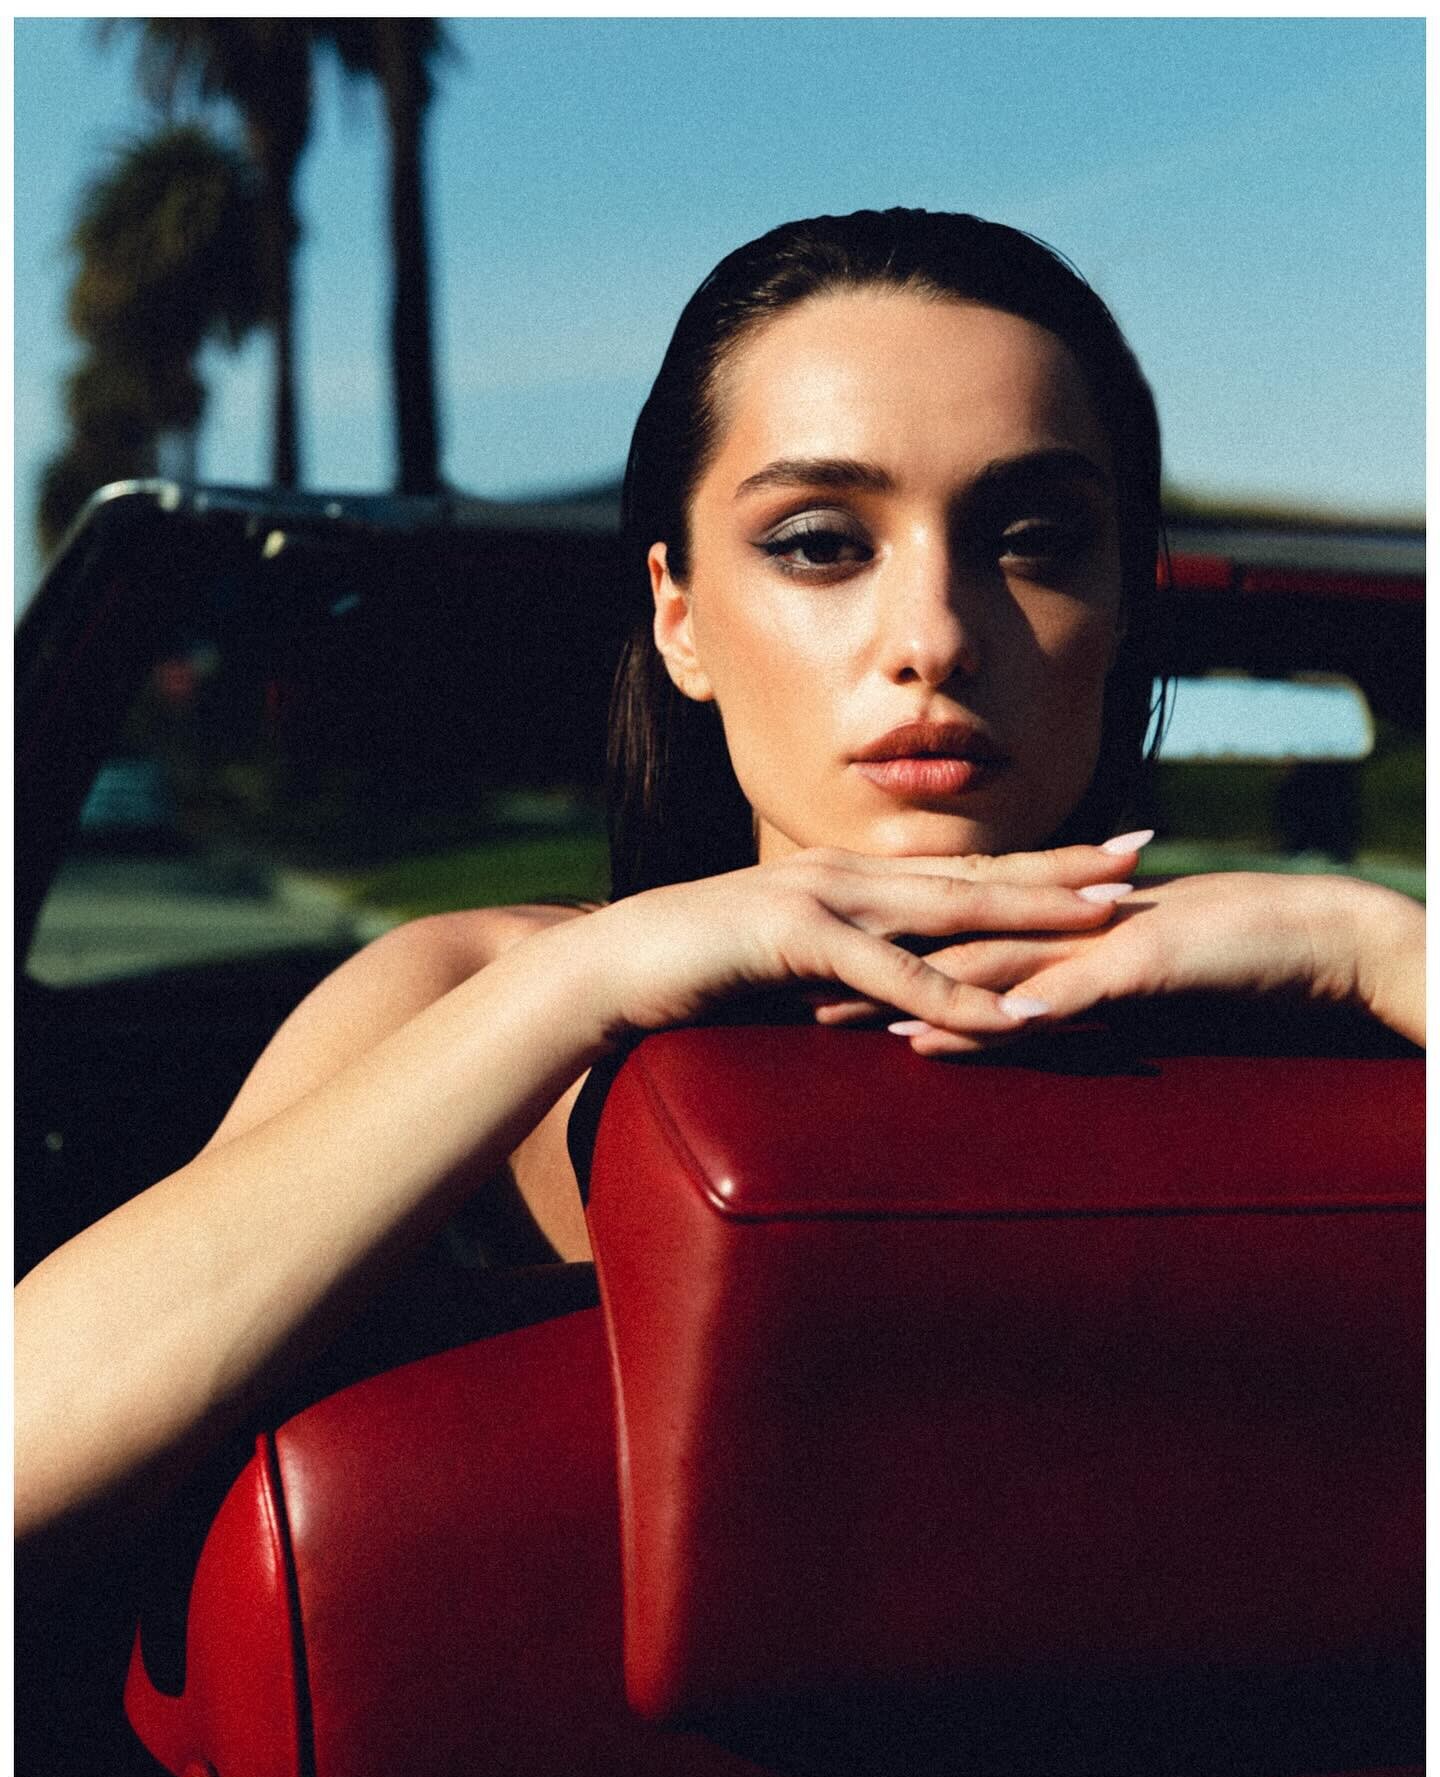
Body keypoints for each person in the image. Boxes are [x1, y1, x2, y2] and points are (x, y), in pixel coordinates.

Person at [15, 207, 1423, 1544]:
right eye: (820, 543)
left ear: (1121, 610)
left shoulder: (1322, 1020)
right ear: (679, 620)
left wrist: (1380, 948)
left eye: (1035, 541)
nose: (934, 634)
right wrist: (579, 983)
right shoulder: (474, 990)